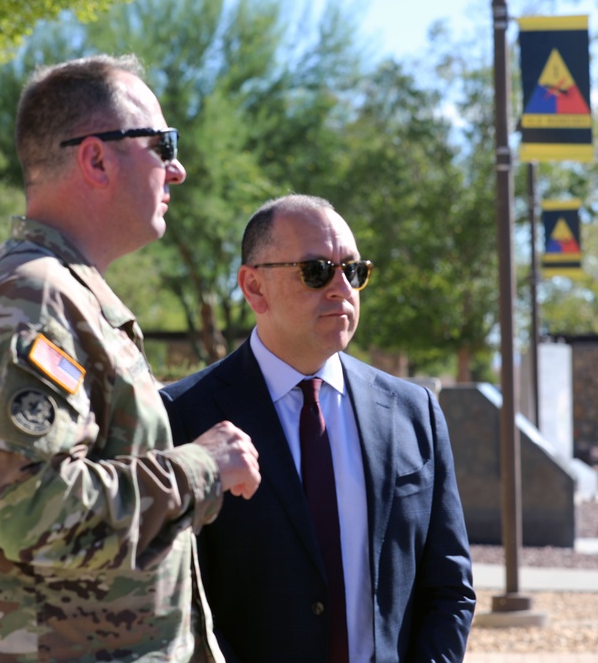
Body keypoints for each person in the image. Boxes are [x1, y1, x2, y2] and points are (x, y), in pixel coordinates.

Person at [0, 54, 261, 663]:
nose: (178, 170)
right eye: (162, 144)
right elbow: (29, 507)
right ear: (95, 158)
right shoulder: (35, 294)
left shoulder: (59, 292)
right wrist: (202, 468)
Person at [160, 194, 475, 662]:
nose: (340, 288)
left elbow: (449, 587)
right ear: (254, 287)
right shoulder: (182, 415)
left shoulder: (413, 412)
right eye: (316, 271)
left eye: (353, 271)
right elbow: (173, 603)